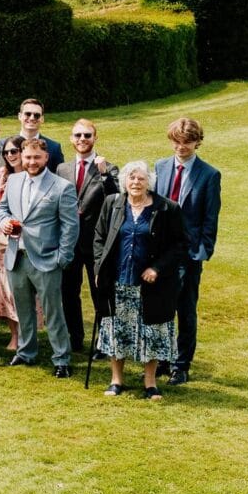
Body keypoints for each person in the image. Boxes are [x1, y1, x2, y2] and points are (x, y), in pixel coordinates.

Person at [93, 162, 186, 399]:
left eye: (141, 179)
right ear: (125, 181)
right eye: (131, 178)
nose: (136, 182)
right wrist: (98, 267)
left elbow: (179, 246)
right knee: (117, 329)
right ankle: (116, 380)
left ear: (149, 183)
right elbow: (99, 238)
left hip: (152, 285)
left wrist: (157, 268)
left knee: (151, 331)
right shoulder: (112, 204)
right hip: (118, 281)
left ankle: (150, 382)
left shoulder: (167, 208)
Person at [0, 138, 80, 377]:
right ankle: (26, 352)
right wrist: (4, 222)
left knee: (53, 312)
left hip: (46, 259)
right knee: (23, 309)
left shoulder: (62, 187)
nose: (31, 162)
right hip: (16, 256)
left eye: (36, 157)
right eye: (27, 157)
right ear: (21, 157)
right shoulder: (13, 180)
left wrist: (62, 258)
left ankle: (61, 358)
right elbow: (2, 209)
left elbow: (70, 227)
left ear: (46, 158)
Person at [154, 117, 221, 385]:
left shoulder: (209, 174)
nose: (181, 147)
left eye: (187, 142)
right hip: (161, 252)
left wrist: (202, 252)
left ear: (197, 142)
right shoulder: (159, 167)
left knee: (185, 308)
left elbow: (210, 218)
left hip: (190, 252)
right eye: (177, 142)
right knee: (160, 307)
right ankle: (162, 358)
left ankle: (181, 364)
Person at [56, 119, 118, 353]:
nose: (82, 139)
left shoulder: (108, 168)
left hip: (96, 242)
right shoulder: (62, 169)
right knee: (69, 293)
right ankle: (75, 337)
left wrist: (104, 175)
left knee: (100, 292)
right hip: (69, 241)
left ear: (95, 138)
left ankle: (104, 342)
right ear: (72, 139)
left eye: (87, 135)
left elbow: (115, 200)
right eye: (78, 135)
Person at [0, 136, 25, 349]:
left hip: (26, 238)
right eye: (7, 152)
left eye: (15, 151)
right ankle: (14, 335)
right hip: (0, 236)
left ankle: (27, 334)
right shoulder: (0, 175)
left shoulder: (31, 174)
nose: (11, 155)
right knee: (3, 288)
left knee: (22, 288)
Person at [16, 98, 64, 172]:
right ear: (20, 116)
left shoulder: (54, 148)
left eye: (36, 115)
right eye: (28, 114)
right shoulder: (5, 145)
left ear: (42, 119)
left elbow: (60, 177)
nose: (32, 118)